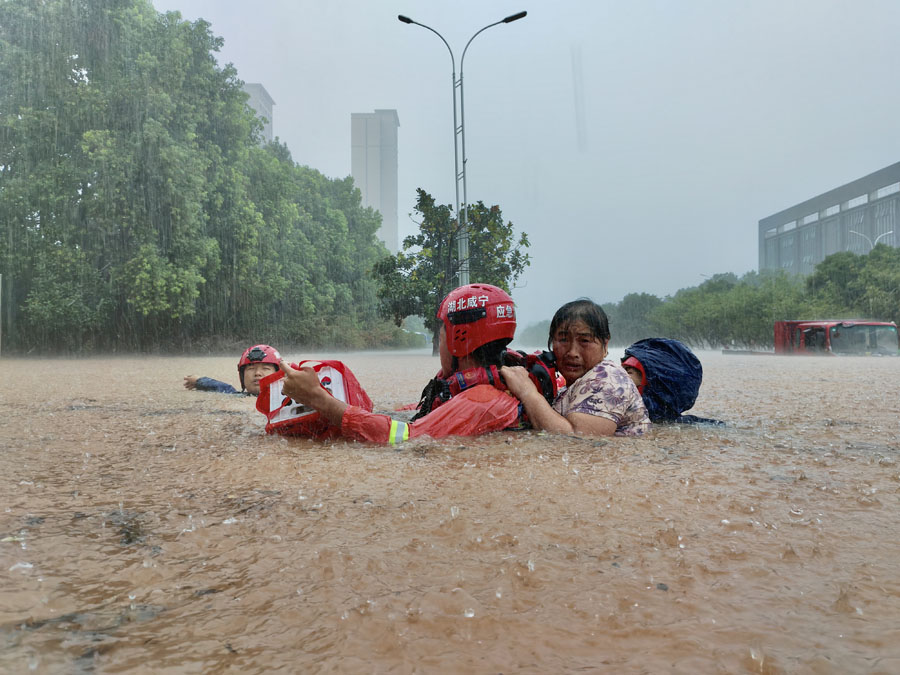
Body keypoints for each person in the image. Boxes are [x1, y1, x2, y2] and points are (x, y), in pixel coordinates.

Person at [277, 283, 527, 445]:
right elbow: (435, 415)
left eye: (440, 334)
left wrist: (319, 399)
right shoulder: (485, 388)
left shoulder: (481, 399)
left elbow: (405, 438)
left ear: (457, 339)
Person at [501, 299, 649, 437]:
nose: (572, 352)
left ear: (605, 345)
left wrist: (527, 392)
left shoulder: (608, 378)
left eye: (585, 341)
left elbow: (577, 439)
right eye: (563, 340)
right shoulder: (578, 383)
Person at [622, 338, 722, 425]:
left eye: (629, 372)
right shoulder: (619, 414)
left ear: (654, 383)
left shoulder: (688, 425)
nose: (620, 377)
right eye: (621, 371)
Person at [184, 344, 281, 397]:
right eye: (251, 368)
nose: (257, 373)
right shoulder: (237, 396)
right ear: (242, 377)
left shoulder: (289, 398)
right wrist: (199, 381)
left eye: (266, 368)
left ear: (279, 375)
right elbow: (222, 388)